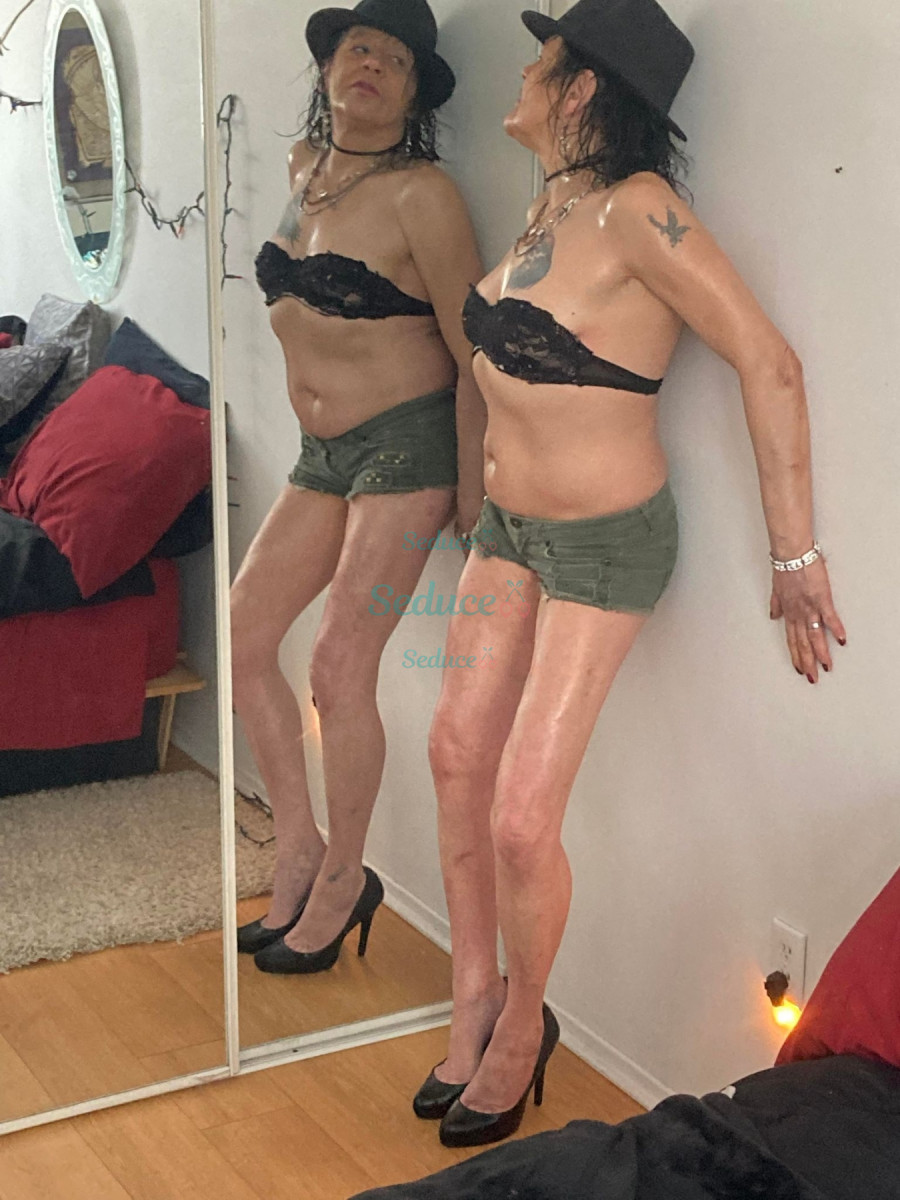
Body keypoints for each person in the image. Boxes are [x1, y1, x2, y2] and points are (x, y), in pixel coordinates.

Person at [415, 0, 847, 1148]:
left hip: (606, 542)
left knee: (521, 818)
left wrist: (796, 555)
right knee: (453, 755)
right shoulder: (551, 204)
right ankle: (472, 997)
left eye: (542, 57)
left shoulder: (641, 210)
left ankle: (524, 1026)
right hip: (509, 531)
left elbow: (769, 360)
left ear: (582, 90)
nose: (521, 71)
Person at [231, 0, 485, 975]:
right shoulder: (305, 171)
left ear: (415, 95)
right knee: (244, 636)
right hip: (322, 452)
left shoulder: (425, 195)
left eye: (395, 60)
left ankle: (346, 875)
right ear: (329, 67)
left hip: (407, 447)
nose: (371, 64)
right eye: (358, 47)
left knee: (338, 668)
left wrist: (474, 488)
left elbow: (472, 349)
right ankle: (297, 846)